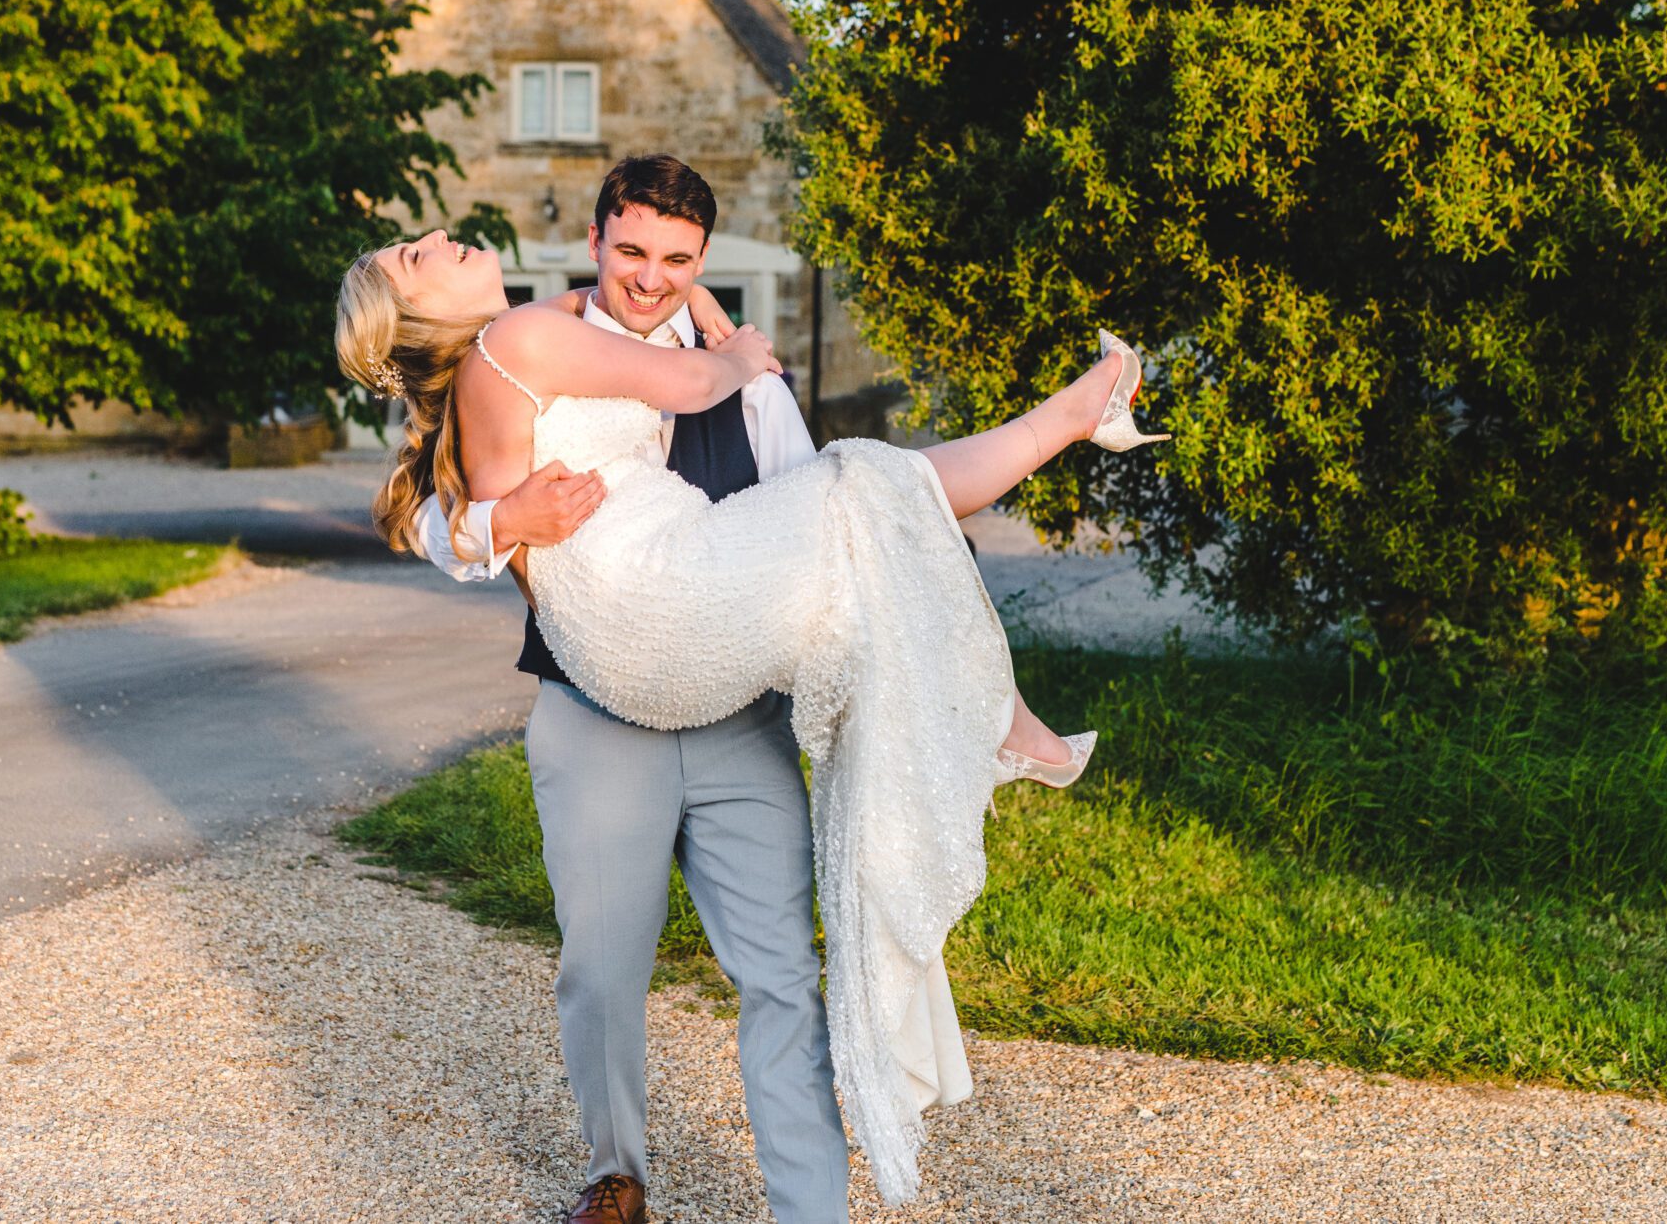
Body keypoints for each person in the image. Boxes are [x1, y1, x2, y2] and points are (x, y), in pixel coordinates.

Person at [337, 157, 1166, 1213]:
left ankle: (810, 1211)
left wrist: (736, 361)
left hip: (731, 696)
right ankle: (613, 1175)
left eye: (674, 260)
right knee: (600, 972)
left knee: (782, 973)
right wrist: (507, 521)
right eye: (630, 252)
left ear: (699, 262)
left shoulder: (669, 356)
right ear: (596, 243)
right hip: (602, 707)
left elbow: (813, 500)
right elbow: (424, 514)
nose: (648, 278)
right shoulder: (531, 341)